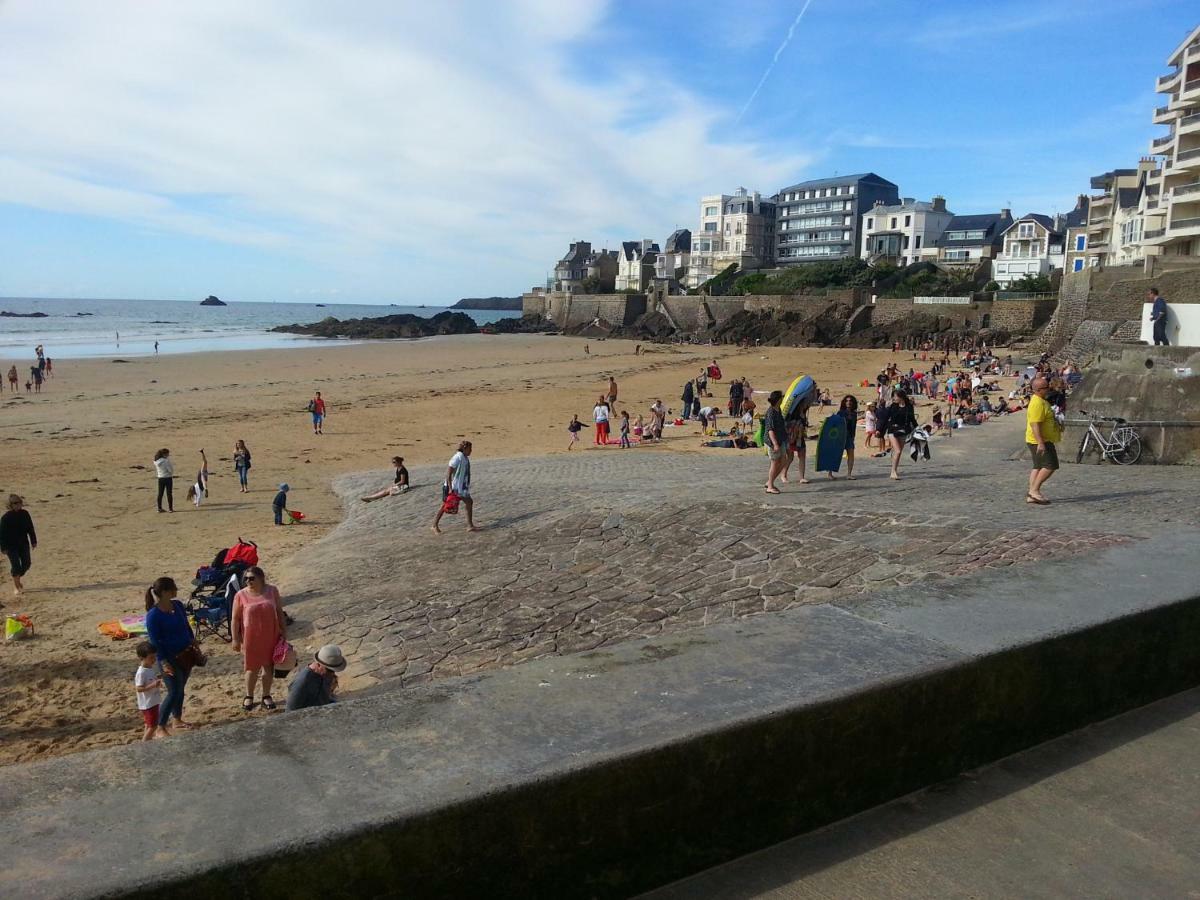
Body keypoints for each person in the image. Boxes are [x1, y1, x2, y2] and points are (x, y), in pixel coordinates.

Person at [143, 577, 198, 733]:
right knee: (173, 691)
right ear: (165, 592)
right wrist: (163, 661)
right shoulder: (153, 615)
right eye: (174, 588)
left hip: (185, 654)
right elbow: (155, 641)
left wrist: (192, 639)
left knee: (180, 689)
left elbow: (186, 624)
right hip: (169, 657)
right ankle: (160, 727)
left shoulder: (178, 605)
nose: (176, 590)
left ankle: (177, 719)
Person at [232, 565, 287, 711]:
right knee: (251, 668)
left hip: (271, 634)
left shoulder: (272, 591)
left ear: (261, 578)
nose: (248, 581)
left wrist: (284, 631)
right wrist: (235, 638)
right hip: (251, 637)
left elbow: (279, 612)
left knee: (268, 667)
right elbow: (235, 619)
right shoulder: (240, 595)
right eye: (246, 578)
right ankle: (249, 696)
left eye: (251, 578)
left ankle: (266, 695)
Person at [1025, 376, 1061, 505]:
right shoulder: (1037, 403)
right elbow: (1035, 425)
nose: (1049, 388)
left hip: (1040, 439)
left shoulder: (1041, 400)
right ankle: (1034, 491)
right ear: (1039, 390)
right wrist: (1041, 443)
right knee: (1050, 465)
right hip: (1040, 440)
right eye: (1046, 387)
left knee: (1038, 466)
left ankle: (1031, 493)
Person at [433, 440, 477, 534]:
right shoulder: (457, 457)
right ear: (464, 448)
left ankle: (470, 526)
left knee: (469, 502)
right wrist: (450, 488)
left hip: (461, 487)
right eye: (470, 449)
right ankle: (434, 525)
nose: (471, 451)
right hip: (453, 487)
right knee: (445, 506)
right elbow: (448, 474)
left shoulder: (464, 457)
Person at [286, 645, 347, 711]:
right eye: (330, 670)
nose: (332, 674)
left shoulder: (326, 674)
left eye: (334, 670)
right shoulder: (302, 683)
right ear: (318, 664)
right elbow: (291, 711)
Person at [0, 494, 37, 600]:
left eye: (20, 502)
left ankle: (17, 578)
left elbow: (30, 528)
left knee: (26, 564)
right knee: (16, 565)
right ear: (10, 505)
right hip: (11, 546)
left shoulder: (25, 514)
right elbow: (1, 534)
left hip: (23, 543)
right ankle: (17, 586)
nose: (18, 505)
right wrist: (3, 548)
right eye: (15, 503)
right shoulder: (6, 518)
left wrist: (33, 541)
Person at [883, 389, 917, 481]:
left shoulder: (909, 406)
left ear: (901, 397)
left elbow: (912, 419)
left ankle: (894, 470)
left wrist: (917, 429)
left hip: (903, 430)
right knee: (897, 451)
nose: (894, 398)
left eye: (895, 396)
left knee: (898, 452)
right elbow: (886, 418)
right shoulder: (893, 406)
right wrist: (880, 430)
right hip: (892, 430)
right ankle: (893, 471)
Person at [134, 641, 164, 741]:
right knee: (153, 726)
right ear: (142, 658)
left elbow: (150, 680)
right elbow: (139, 688)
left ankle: (147, 741)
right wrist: (152, 685)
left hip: (152, 701)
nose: (154, 660)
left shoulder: (148, 668)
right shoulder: (141, 672)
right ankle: (144, 744)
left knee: (149, 724)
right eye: (151, 658)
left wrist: (159, 677)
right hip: (148, 704)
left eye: (155, 657)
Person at [763, 390, 789, 494]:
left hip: (781, 439)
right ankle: (770, 486)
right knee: (774, 463)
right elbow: (770, 430)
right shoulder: (771, 412)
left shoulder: (778, 410)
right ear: (778, 400)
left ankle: (770, 481)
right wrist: (775, 444)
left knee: (783, 461)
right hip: (773, 442)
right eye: (782, 397)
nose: (783, 398)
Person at [831, 395, 859, 480]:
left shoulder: (854, 413)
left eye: (850, 401)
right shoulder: (841, 413)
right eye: (846, 401)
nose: (848, 402)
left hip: (850, 436)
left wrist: (853, 436)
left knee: (851, 454)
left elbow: (854, 426)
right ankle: (830, 473)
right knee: (836, 455)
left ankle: (849, 474)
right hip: (841, 436)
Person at [782, 416, 808, 485]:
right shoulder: (791, 413)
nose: (807, 404)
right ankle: (783, 475)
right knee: (790, 457)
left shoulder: (803, 412)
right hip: (791, 436)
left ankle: (802, 477)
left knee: (802, 456)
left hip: (799, 437)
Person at [153, 448, 174, 513]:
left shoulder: (156, 461)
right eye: (167, 454)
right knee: (169, 493)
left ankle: (159, 508)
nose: (168, 455)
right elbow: (170, 470)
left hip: (160, 478)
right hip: (168, 478)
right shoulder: (166, 461)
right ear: (164, 454)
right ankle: (170, 509)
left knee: (160, 493)